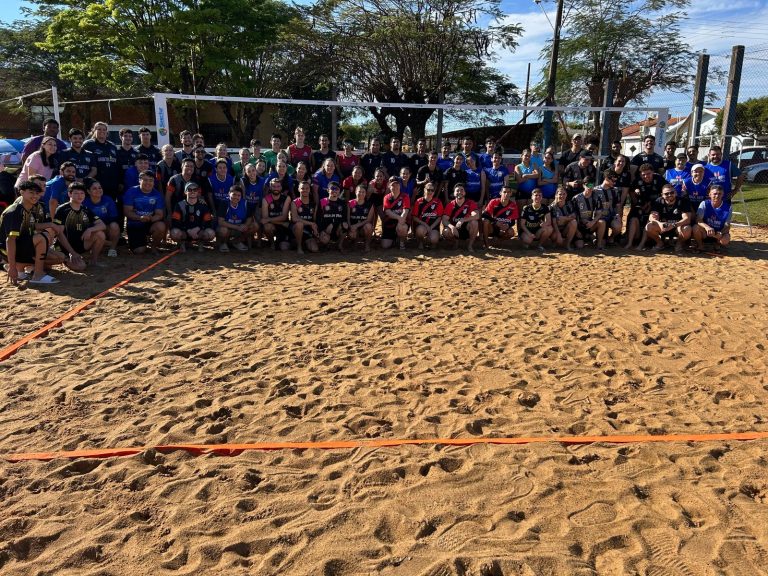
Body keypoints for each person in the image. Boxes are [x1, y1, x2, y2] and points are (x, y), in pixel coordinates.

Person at [1, 180, 67, 285]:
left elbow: (31, 226)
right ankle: (37, 274)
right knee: (42, 237)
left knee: (60, 257)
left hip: (21, 245)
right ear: (21, 192)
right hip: (8, 249)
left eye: (37, 193)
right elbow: (10, 240)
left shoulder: (30, 207)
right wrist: (12, 267)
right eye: (31, 192)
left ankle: (20, 268)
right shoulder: (14, 212)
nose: (35, 196)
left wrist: (51, 224)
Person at [53, 182, 106, 269]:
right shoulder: (62, 209)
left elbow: (102, 225)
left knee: (100, 234)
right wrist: (72, 252)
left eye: (82, 193)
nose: (80, 196)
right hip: (65, 246)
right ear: (69, 194)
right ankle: (66, 258)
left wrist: (90, 230)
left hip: (80, 243)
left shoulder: (85, 209)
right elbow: (59, 234)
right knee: (81, 267)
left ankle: (93, 262)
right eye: (76, 193)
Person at [123, 170, 166, 255]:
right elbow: (127, 212)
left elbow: (159, 214)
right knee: (139, 251)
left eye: (151, 180)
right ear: (139, 180)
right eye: (145, 180)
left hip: (150, 222)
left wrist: (150, 219)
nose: (148, 183)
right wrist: (140, 218)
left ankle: (153, 247)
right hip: (135, 223)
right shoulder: (131, 191)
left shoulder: (157, 195)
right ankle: (142, 241)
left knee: (161, 226)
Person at [625, 163, 667, 250]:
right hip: (640, 205)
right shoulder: (637, 181)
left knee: (650, 219)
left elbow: (667, 189)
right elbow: (631, 190)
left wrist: (656, 202)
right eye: (643, 174)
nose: (646, 176)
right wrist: (635, 200)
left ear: (653, 172)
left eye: (648, 174)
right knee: (633, 219)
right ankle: (629, 243)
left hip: (655, 206)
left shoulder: (659, 179)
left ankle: (641, 244)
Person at [645, 183, 692, 254]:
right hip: (663, 227)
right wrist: (659, 223)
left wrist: (673, 225)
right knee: (648, 227)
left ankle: (679, 244)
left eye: (672, 192)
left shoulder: (683, 201)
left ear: (675, 192)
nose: (669, 195)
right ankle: (660, 243)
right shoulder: (658, 201)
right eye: (666, 194)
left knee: (687, 229)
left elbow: (687, 219)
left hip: (677, 227)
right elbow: (651, 217)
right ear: (662, 195)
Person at [169, 182, 215, 252]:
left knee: (211, 233)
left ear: (198, 192)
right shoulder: (179, 205)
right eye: (189, 190)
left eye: (195, 190)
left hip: (198, 232)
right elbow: (175, 223)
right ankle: (182, 242)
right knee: (174, 233)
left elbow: (207, 222)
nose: (192, 192)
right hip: (184, 232)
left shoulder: (203, 205)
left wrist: (198, 228)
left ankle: (200, 242)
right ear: (185, 192)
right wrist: (187, 230)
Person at [83, 122, 120, 205]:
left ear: (107, 132)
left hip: (111, 184)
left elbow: (117, 165)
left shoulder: (112, 146)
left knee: (110, 206)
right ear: (94, 131)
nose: (102, 131)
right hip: (95, 184)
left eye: (104, 129)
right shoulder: (88, 144)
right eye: (99, 129)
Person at [692, 185, 732, 252]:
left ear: (723, 195)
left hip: (718, 232)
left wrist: (721, 233)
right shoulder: (704, 204)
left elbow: (727, 225)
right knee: (695, 227)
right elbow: (698, 220)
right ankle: (700, 245)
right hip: (706, 231)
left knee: (725, 240)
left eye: (719, 194)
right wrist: (707, 227)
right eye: (715, 194)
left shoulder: (728, 207)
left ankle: (717, 244)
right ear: (710, 194)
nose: (717, 196)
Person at [442, 182, 479, 252]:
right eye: (457, 190)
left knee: (475, 223)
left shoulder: (470, 203)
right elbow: (444, 220)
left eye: (462, 190)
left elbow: (477, 215)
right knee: (445, 232)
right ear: (454, 193)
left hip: (467, 229)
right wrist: (452, 227)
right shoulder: (450, 205)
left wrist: (463, 220)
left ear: (465, 192)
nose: (459, 192)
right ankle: (456, 243)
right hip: (455, 230)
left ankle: (470, 246)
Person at [593, 170, 625, 245]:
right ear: (606, 178)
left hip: (611, 217)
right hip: (600, 219)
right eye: (613, 181)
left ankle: (611, 238)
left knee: (617, 226)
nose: (614, 183)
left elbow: (618, 206)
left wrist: (618, 216)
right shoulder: (595, 190)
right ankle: (596, 238)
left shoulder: (615, 191)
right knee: (602, 243)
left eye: (615, 181)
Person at [572, 180, 606, 249]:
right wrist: (577, 230)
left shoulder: (596, 197)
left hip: (589, 225)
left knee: (602, 222)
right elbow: (573, 216)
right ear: (583, 185)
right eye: (588, 185)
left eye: (592, 185)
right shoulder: (576, 198)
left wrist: (592, 222)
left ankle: (598, 245)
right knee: (579, 246)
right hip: (578, 226)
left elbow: (599, 213)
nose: (590, 187)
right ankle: (586, 237)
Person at [217, 185, 250, 252]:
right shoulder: (224, 203)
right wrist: (237, 227)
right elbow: (221, 222)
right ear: (229, 194)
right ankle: (223, 243)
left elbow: (250, 218)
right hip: (228, 227)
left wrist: (245, 225)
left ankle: (236, 242)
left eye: (238, 195)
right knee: (223, 230)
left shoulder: (245, 203)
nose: (236, 197)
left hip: (239, 227)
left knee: (253, 226)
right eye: (234, 194)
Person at [261, 178, 292, 250]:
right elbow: (265, 219)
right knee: (267, 227)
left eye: (278, 186)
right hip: (275, 225)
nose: (276, 188)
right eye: (274, 186)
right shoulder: (266, 199)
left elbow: (284, 217)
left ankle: (282, 241)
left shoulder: (286, 198)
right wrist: (281, 223)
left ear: (281, 187)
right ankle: (272, 243)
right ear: (270, 187)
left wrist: (269, 220)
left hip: (284, 226)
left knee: (284, 248)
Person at [411, 181, 443, 249]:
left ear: (434, 192)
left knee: (434, 240)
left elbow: (439, 217)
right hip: (422, 226)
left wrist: (431, 227)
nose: (430, 192)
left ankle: (427, 241)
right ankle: (421, 242)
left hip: (433, 227)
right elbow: (414, 217)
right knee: (420, 230)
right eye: (428, 190)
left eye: (432, 190)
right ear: (424, 190)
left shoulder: (438, 202)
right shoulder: (419, 201)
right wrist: (425, 225)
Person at [381, 176, 410, 249]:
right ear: (389, 186)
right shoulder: (386, 197)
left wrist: (401, 220)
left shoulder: (405, 196)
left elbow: (405, 210)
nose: (395, 187)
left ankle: (402, 243)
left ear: (400, 185)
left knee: (402, 227)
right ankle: (394, 238)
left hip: (401, 221)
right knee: (385, 245)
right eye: (393, 185)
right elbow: (388, 212)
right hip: (390, 222)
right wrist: (399, 218)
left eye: (397, 184)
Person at [290, 180, 319, 254]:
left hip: (307, 230)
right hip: (296, 229)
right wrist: (311, 223)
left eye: (307, 188)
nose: (305, 190)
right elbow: (294, 219)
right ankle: (299, 247)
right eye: (302, 188)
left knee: (314, 249)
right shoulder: (294, 202)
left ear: (309, 189)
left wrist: (315, 228)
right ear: (298, 189)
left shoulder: (313, 204)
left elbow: (314, 220)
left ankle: (305, 243)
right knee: (299, 224)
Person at [345, 183, 375, 252]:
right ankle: (354, 243)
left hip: (362, 228)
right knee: (352, 234)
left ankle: (367, 245)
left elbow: (368, 219)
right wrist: (350, 227)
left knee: (369, 226)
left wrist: (357, 225)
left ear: (366, 193)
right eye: (359, 191)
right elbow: (348, 218)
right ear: (355, 192)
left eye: (363, 192)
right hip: (352, 227)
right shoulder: (351, 203)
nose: (361, 193)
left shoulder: (369, 204)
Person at [549, 186, 580, 250]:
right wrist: (558, 234)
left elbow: (574, 216)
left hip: (565, 229)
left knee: (574, 222)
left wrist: (564, 218)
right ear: (556, 195)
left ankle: (567, 244)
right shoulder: (552, 207)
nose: (562, 196)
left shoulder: (569, 204)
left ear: (566, 195)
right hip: (556, 230)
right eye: (560, 194)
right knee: (556, 237)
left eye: (564, 194)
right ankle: (555, 242)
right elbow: (554, 223)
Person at [318, 182, 346, 250]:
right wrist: (321, 230)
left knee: (345, 225)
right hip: (325, 228)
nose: (334, 190)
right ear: (328, 190)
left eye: (337, 189)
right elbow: (317, 218)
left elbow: (344, 218)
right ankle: (326, 244)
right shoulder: (322, 202)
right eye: (332, 188)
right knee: (325, 240)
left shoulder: (342, 203)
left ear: (339, 191)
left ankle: (339, 245)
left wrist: (333, 224)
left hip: (336, 229)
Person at [116, 128, 139, 195]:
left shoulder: (137, 153)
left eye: (130, 136)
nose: (128, 138)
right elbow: (115, 169)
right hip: (121, 186)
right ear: (121, 137)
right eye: (125, 136)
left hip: (134, 184)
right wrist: (119, 182)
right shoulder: (116, 152)